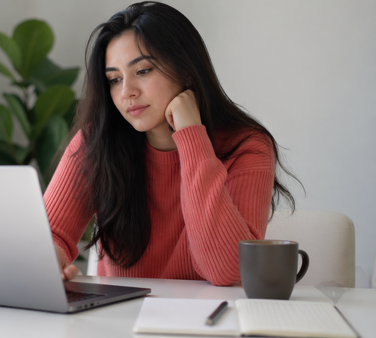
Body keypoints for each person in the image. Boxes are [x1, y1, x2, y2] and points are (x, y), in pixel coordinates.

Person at [44, 1, 299, 286]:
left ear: (186, 70)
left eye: (143, 71)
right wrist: (48, 259)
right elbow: (49, 235)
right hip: (118, 322)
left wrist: (192, 137)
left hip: (208, 323)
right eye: (114, 79)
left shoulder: (248, 147)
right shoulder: (98, 141)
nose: (127, 92)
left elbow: (229, 271)